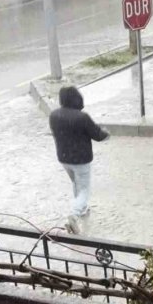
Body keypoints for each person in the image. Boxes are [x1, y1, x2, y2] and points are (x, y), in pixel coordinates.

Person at [49, 86, 109, 234]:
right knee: (84, 190)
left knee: (76, 183)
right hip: (81, 159)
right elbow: (98, 135)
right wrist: (106, 132)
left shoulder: (54, 115)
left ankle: (81, 209)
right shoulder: (82, 117)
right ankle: (74, 215)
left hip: (63, 158)